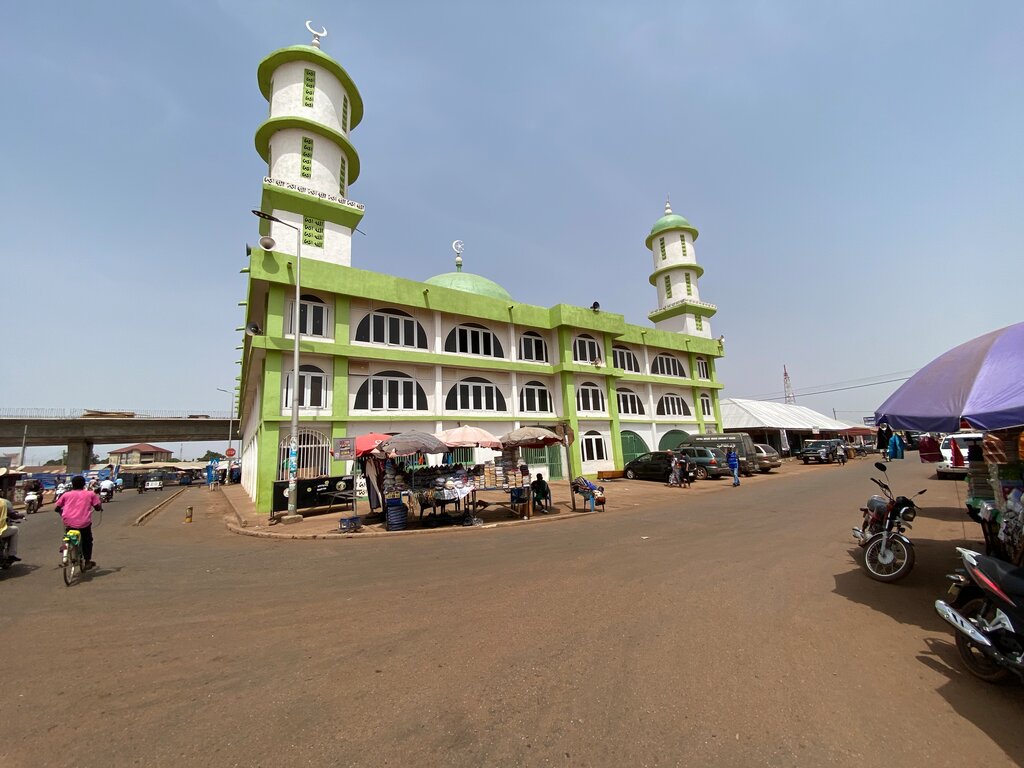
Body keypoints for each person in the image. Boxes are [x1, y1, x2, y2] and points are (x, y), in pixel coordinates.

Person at [54, 475, 103, 571]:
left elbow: (57, 508)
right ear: (84, 484)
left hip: (68, 521)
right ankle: (88, 561)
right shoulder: (90, 494)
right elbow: (97, 507)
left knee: (67, 535)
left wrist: (63, 514)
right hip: (84, 523)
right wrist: (100, 507)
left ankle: (65, 546)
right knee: (87, 540)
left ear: (72, 485)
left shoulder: (66, 494)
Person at [0, 495, 24, 563]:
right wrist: (21, 516)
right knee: (15, 529)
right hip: (1, 530)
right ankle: (11, 554)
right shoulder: (3, 502)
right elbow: (13, 515)